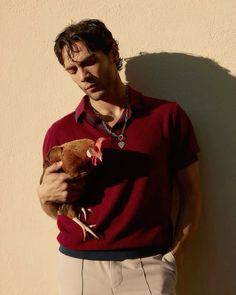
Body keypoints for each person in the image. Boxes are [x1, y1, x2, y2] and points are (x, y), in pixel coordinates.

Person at [37, 19, 201, 295]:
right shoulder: (60, 131)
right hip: (80, 267)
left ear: (113, 52)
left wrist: (174, 258)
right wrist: (44, 198)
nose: (83, 76)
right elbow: (56, 207)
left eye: (89, 62)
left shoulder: (168, 117)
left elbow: (192, 194)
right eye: (72, 70)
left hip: (149, 265)